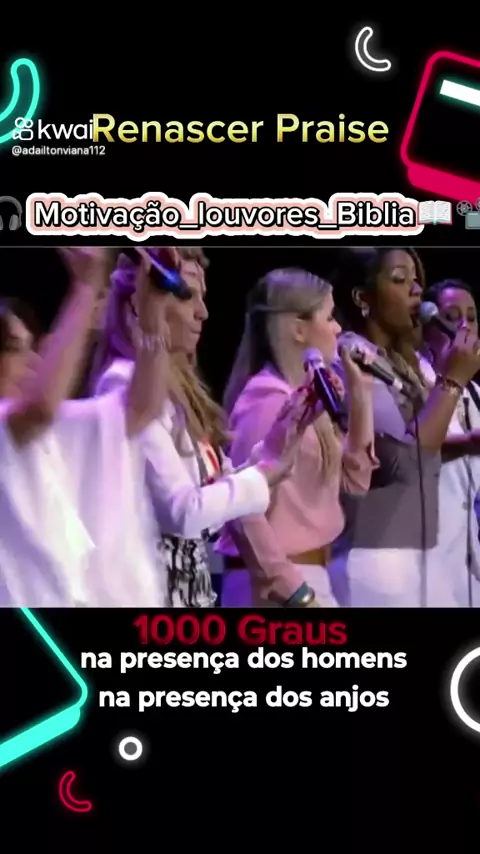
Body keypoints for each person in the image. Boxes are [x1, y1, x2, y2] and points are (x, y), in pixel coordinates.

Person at [93, 249, 319, 607]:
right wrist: (264, 473)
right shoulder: (123, 386)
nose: (203, 312)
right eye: (187, 296)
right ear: (142, 302)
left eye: (203, 297)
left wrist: (275, 447)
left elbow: (218, 489)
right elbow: (183, 512)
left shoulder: (180, 392)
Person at [0, 247, 171, 607]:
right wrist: (85, 285)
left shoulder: (42, 431)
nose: (32, 361)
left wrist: (152, 318)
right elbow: (40, 407)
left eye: (32, 347)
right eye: (15, 349)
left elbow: (141, 409)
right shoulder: (20, 421)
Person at [218, 267, 377, 608]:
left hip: (310, 575)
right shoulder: (266, 401)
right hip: (275, 588)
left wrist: (361, 392)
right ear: (299, 329)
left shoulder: (307, 399)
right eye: (329, 317)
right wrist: (293, 591)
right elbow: (241, 510)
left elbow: (355, 482)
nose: (339, 329)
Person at [330, 248, 480, 607]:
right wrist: (453, 381)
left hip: (422, 562)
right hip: (376, 563)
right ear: (362, 298)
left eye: (416, 280)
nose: (416, 290)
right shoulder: (352, 358)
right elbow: (406, 462)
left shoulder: (405, 365)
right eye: (400, 279)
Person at [420, 278, 480, 606]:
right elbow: (413, 451)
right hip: (426, 560)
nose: (464, 326)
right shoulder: (418, 383)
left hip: (469, 566)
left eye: (471, 317)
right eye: (451, 317)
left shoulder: (477, 395)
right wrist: (468, 443)